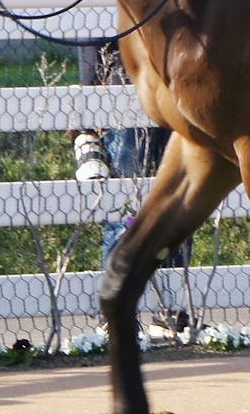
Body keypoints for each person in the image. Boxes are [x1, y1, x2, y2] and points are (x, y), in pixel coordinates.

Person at [72, 45, 191, 313]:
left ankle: (170, 311)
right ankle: (118, 312)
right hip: (129, 92)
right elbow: (92, 39)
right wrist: (88, 113)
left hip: (177, 88)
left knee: (178, 208)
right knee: (126, 211)